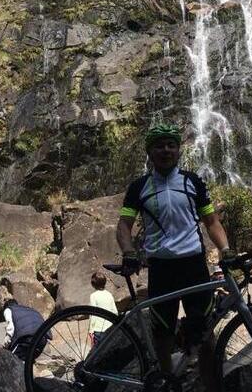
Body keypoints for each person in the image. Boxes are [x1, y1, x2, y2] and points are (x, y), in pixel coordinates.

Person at [116, 123, 233, 391]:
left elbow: (211, 221)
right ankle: (168, 385)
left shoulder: (193, 182)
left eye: (171, 145)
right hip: (161, 268)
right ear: (150, 152)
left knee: (205, 334)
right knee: (162, 335)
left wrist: (226, 250)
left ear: (179, 149)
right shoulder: (139, 187)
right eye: (159, 146)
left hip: (193, 266)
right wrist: (128, 252)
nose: (165, 150)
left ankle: (209, 386)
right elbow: (124, 226)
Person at [89, 271, 118, 345]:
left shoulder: (93, 296)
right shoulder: (109, 294)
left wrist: (91, 329)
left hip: (98, 329)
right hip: (110, 328)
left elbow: (93, 314)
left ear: (93, 284)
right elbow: (115, 311)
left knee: (99, 351)